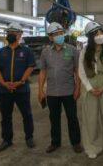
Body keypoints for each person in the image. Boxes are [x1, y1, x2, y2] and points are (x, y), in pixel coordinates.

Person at [38, 22, 83, 154]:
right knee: (54, 118)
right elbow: (42, 72)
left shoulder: (72, 50)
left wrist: (78, 88)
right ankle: (55, 142)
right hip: (52, 92)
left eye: (60, 33)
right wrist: (40, 90)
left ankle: (76, 143)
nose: (59, 36)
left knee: (72, 118)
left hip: (69, 91)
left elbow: (77, 70)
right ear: (50, 37)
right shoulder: (45, 52)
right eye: (56, 34)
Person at [78, 21, 103, 159]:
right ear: (90, 37)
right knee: (90, 118)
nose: (100, 35)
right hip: (90, 85)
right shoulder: (84, 51)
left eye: (101, 32)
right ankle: (93, 146)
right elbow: (81, 72)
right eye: (96, 33)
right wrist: (89, 88)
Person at [0, 22, 35, 152]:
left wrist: (21, 81)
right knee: (5, 117)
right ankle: (7, 140)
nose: (10, 35)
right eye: (8, 32)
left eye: (13, 33)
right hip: (4, 91)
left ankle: (29, 137)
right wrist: (3, 83)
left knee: (26, 114)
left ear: (19, 35)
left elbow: (30, 67)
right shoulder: (1, 52)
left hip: (22, 89)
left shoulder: (26, 51)